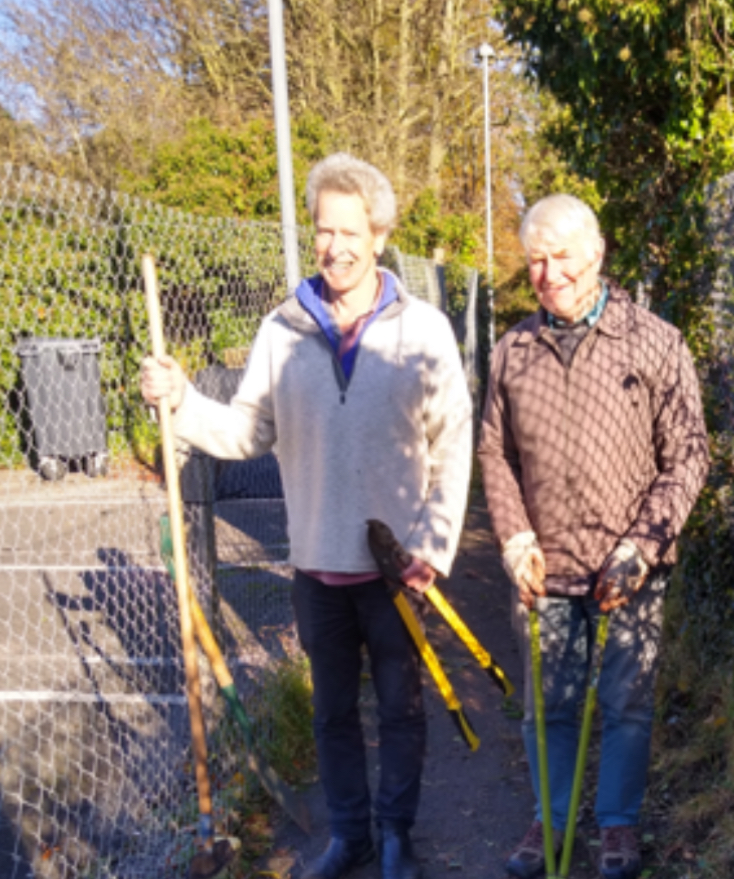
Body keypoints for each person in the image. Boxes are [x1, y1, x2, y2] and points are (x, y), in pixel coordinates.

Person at [140, 153, 472, 879]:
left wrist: (433, 546)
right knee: (331, 716)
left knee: (400, 710)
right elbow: (246, 433)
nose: (335, 247)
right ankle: (348, 836)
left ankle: (395, 838)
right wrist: (181, 401)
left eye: (350, 231)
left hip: (396, 568)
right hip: (317, 563)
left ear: (379, 235)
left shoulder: (424, 331)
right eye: (324, 230)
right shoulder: (281, 329)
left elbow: (453, 443)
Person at [478, 194, 709, 879]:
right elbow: (494, 454)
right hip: (545, 565)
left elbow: (689, 455)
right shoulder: (512, 351)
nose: (549, 273)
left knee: (626, 702)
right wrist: (515, 536)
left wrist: (642, 546)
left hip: (627, 565)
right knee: (545, 702)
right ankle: (550, 817)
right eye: (535, 261)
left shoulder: (655, 342)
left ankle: (616, 824)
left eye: (563, 256)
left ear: (598, 253)